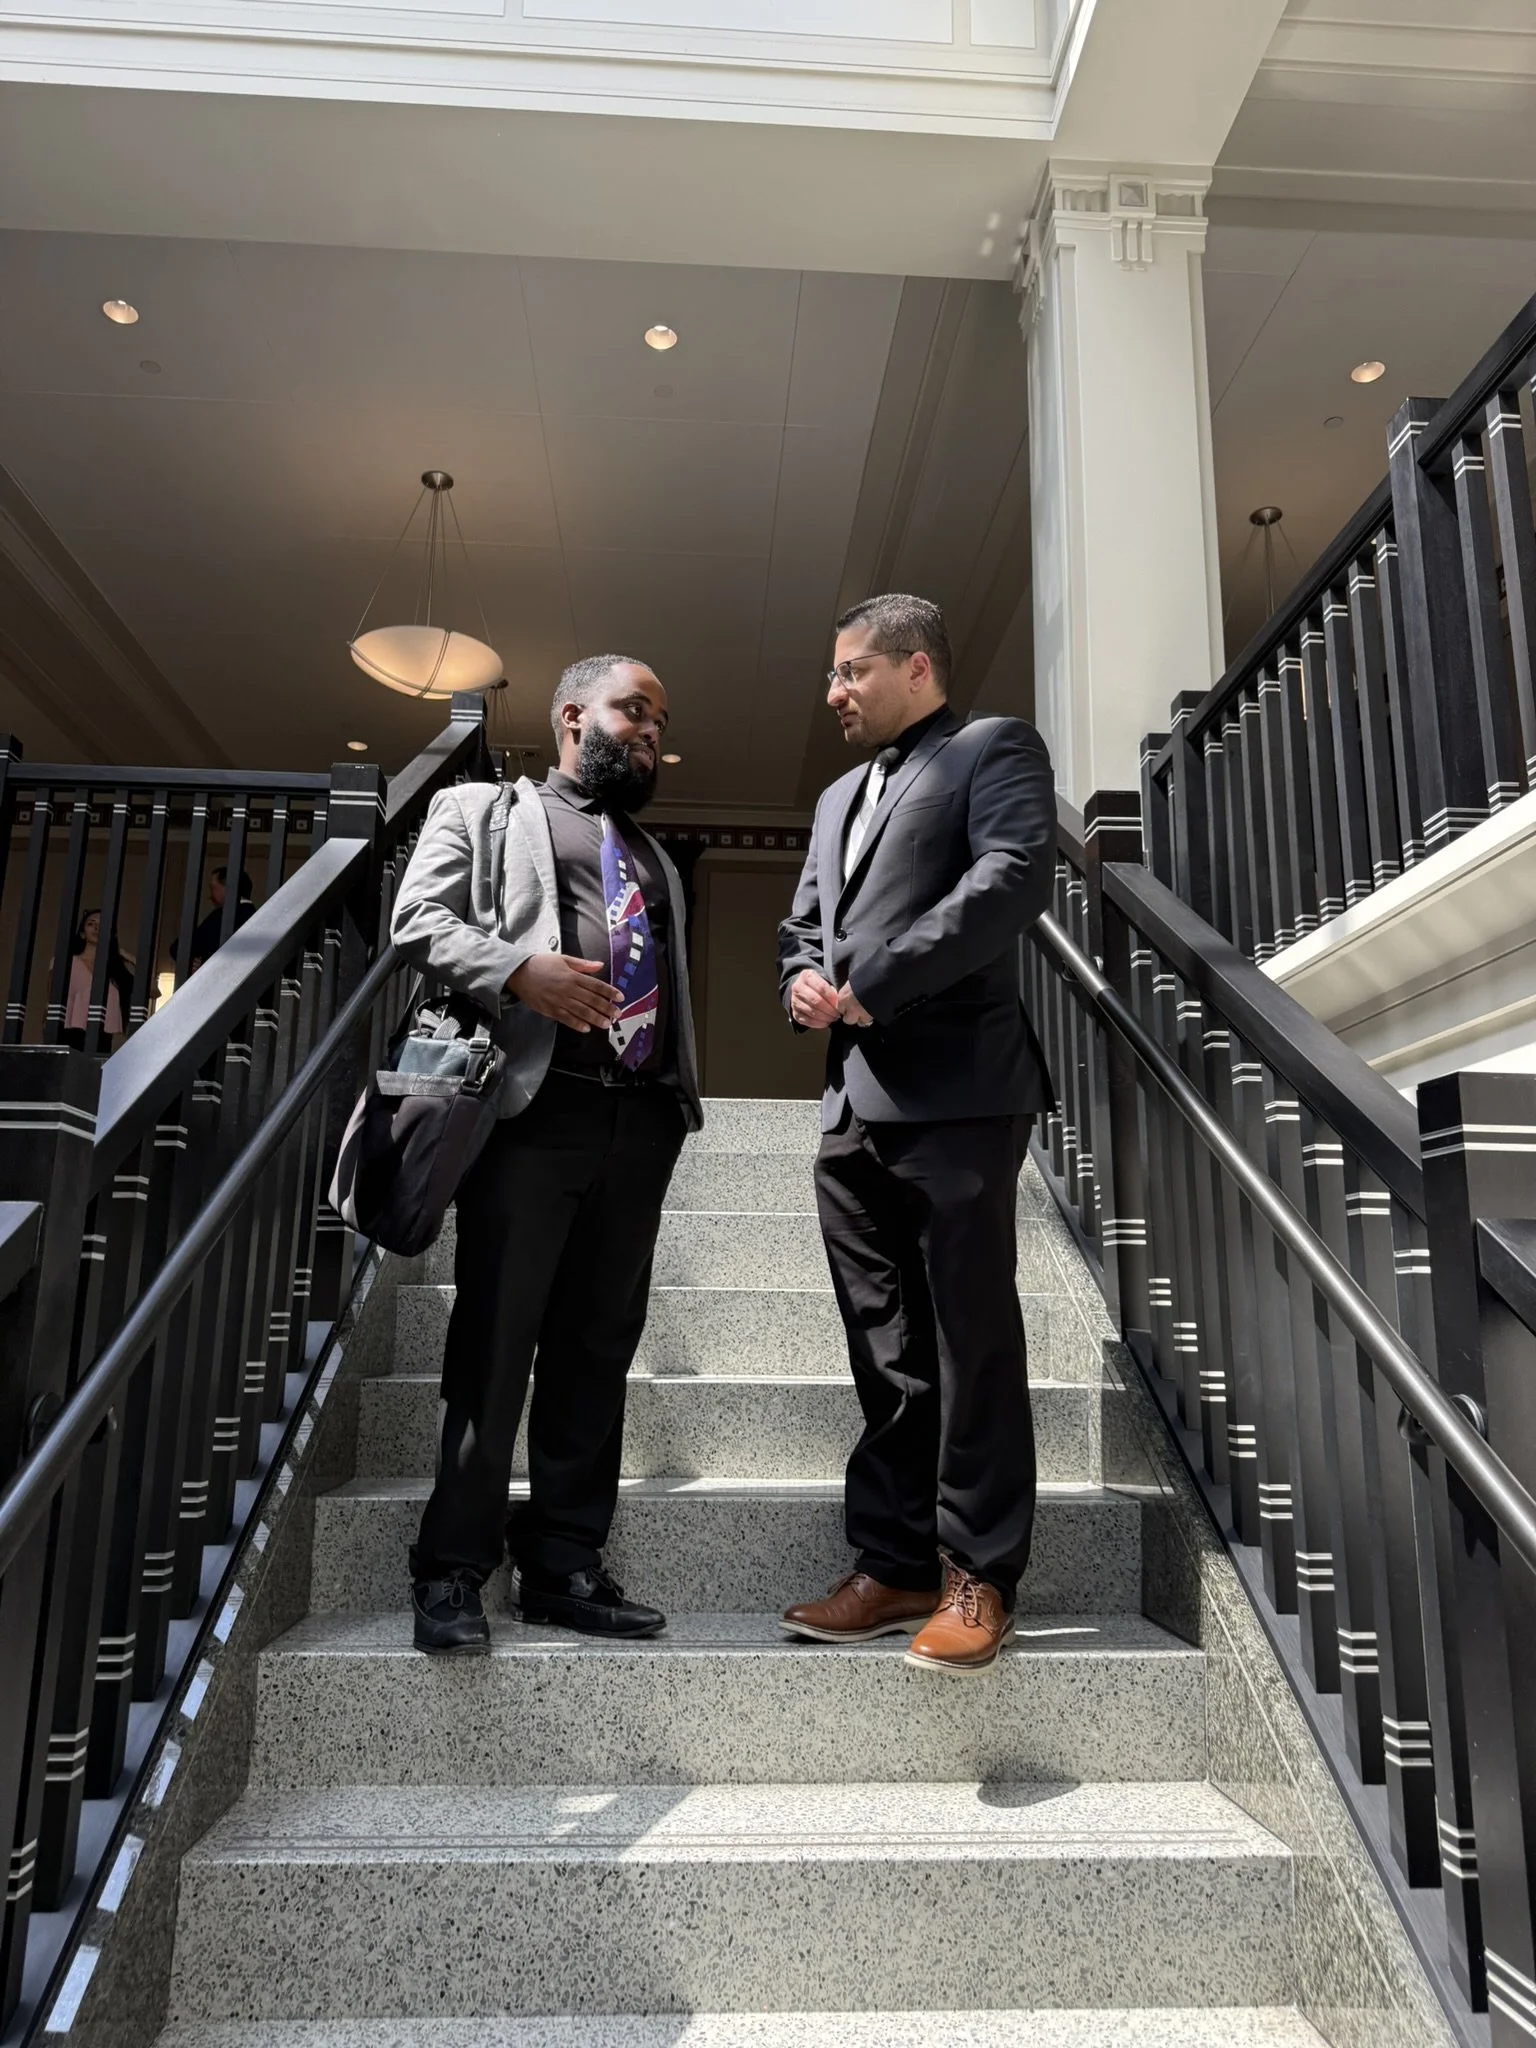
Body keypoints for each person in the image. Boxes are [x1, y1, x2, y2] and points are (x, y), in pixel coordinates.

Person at [390, 655, 702, 1656]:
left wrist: (671, 1104)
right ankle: (451, 1565)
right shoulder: (482, 808)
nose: (651, 730)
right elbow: (418, 919)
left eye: (659, 718)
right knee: (495, 1342)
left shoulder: (652, 855)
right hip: (531, 1114)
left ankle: (563, 1558)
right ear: (574, 714)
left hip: (638, 1121)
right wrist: (519, 969)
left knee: (596, 1348)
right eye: (634, 710)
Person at [776, 594, 1057, 1674]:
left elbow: (1010, 878)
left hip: (958, 1091)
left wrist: (867, 985)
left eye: (851, 671)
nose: (835, 691)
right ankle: (893, 1563)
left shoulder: (993, 747)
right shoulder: (839, 791)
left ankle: (979, 1574)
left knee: (971, 1340)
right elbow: (808, 919)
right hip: (850, 1102)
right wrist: (801, 977)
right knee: (883, 1349)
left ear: (918, 666)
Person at [63, 908, 134, 1052]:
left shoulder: (116, 968)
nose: (96, 928)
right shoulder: (67, 963)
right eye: (91, 924)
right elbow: (51, 999)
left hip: (104, 1038)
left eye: (103, 925)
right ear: (82, 933)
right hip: (69, 1033)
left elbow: (153, 990)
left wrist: (128, 956)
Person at [182, 866, 256, 974]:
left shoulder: (219, 917)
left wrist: (199, 963)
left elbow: (181, 947)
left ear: (229, 888)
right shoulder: (259, 918)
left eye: (213, 888)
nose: (210, 895)